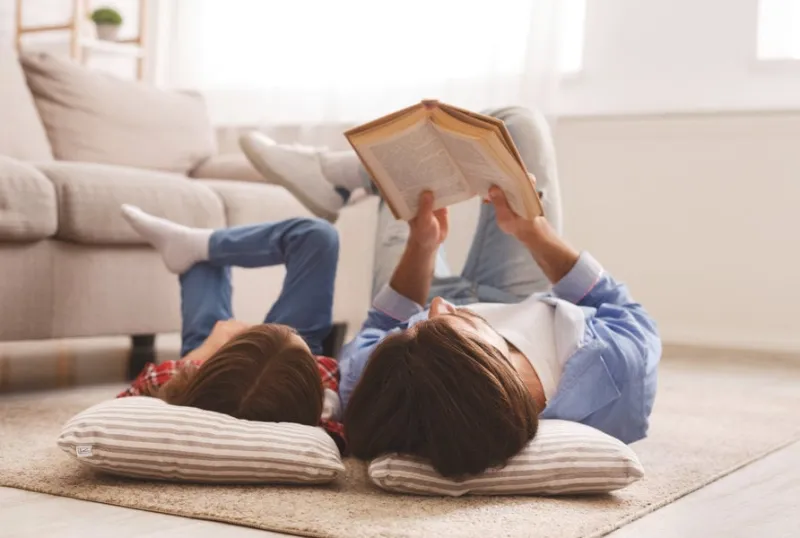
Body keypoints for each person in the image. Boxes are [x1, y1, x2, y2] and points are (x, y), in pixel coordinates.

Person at [239, 106, 661, 478]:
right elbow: (614, 302)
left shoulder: (388, 382)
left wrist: (421, 247)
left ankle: (341, 178)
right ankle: (347, 176)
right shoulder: (619, 374)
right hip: (522, 289)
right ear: (489, 362)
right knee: (520, 123)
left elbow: (384, 323)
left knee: (408, 190)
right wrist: (534, 232)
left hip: (417, 279)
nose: (437, 306)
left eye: (418, 327)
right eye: (445, 326)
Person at [116, 205, 345, 450]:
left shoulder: (179, 378)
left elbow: (110, 417)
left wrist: (204, 352)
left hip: (207, 367)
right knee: (317, 235)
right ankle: (200, 244)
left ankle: (197, 244)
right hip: (272, 363)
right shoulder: (323, 413)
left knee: (200, 262)